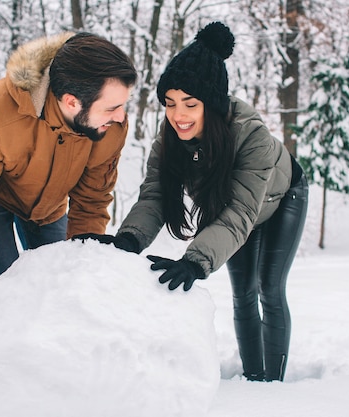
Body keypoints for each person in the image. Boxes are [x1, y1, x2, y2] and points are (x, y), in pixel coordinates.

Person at [86, 21, 308, 382]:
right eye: (170, 103)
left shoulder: (251, 137)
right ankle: (254, 378)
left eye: (190, 103)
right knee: (242, 293)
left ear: (212, 104)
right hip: (237, 210)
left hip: (282, 198)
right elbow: (156, 194)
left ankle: (275, 384)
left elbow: (240, 211)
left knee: (268, 287)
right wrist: (129, 240)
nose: (178, 115)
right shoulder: (170, 137)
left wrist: (194, 262)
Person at [0, 31, 137, 324]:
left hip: (49, 207)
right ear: (71, 103)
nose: (120, 117)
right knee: (5, 291)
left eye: (122, 105)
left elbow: (91, 200)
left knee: (62, 285)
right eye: (111, 107)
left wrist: (83, 265)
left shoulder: (109, 126)